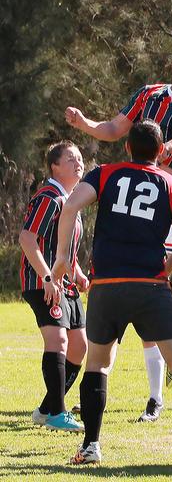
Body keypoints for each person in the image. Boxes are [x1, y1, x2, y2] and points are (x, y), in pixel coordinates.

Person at [52, 120, 172, 466]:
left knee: (98, 364)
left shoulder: (105, 173)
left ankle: (91, 445)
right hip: (150, 286)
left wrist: (62, 257)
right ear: (161, 149)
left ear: (127, 148)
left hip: (106, 285)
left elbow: (71, 206)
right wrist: (164, 273)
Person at [65, 46, 172, 421]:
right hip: (139, 193)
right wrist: (85, 123)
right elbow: (115, 129)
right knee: (135, 283)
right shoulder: (149, 93)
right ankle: (118, 385)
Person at [19, 141, 88, 432]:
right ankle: (58, 414)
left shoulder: (71, 199)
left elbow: (63, 247)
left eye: (80, 159)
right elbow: (27, 239)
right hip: (42, 282)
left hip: (64, 284)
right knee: (58, 342)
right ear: (54, 167)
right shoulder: (49, 197)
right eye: (71, 159)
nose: (78, 163)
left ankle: (47, 408)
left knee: (79, 347)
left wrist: (78, 273)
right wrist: (48, 277)